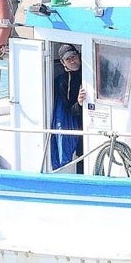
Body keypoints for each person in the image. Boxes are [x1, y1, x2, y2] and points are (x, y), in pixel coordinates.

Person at [50, 43, 87, 171]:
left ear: (79, 56)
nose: (72, 60)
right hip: (79, 122)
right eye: (68, 59)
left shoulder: (90, 71)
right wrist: (79, 103)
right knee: (82, 152)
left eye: (73, 56)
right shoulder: (63, 81)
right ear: (63, 62)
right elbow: (69, 110)